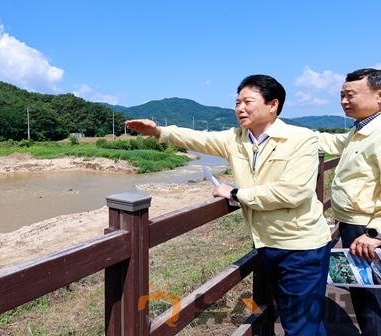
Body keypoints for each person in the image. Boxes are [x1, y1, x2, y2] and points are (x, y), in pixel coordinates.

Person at [126, 74, 331, 335]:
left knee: (303, 326)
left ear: (273, 104)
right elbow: (197, 138)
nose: (240, 108)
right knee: (293, 318)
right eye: (237, 102)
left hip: (301, 247)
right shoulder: (236, 139)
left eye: (248, 101)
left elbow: (292, 193)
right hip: (266, 244)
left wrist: (235, 192)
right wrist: (158, 131)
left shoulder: (301, 139)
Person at [316, 68, 381, 336]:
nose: (344, 101)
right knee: (363, 295)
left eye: (351, 95)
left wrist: (375, 233)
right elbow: (331, 140)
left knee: (372, 302)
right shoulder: (361, 129)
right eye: (341, 95)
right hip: (354, 226)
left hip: (366, 230)